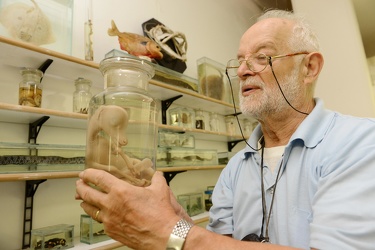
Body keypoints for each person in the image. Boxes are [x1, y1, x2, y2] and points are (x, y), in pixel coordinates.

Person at [75, 9, 375, 249]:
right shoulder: (236, 168)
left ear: (308, 68)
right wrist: (174, 218)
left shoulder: (359, 143)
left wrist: (167, 233)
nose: (243, 70)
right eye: (241, 60)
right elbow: (217, 245)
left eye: (261, 57)